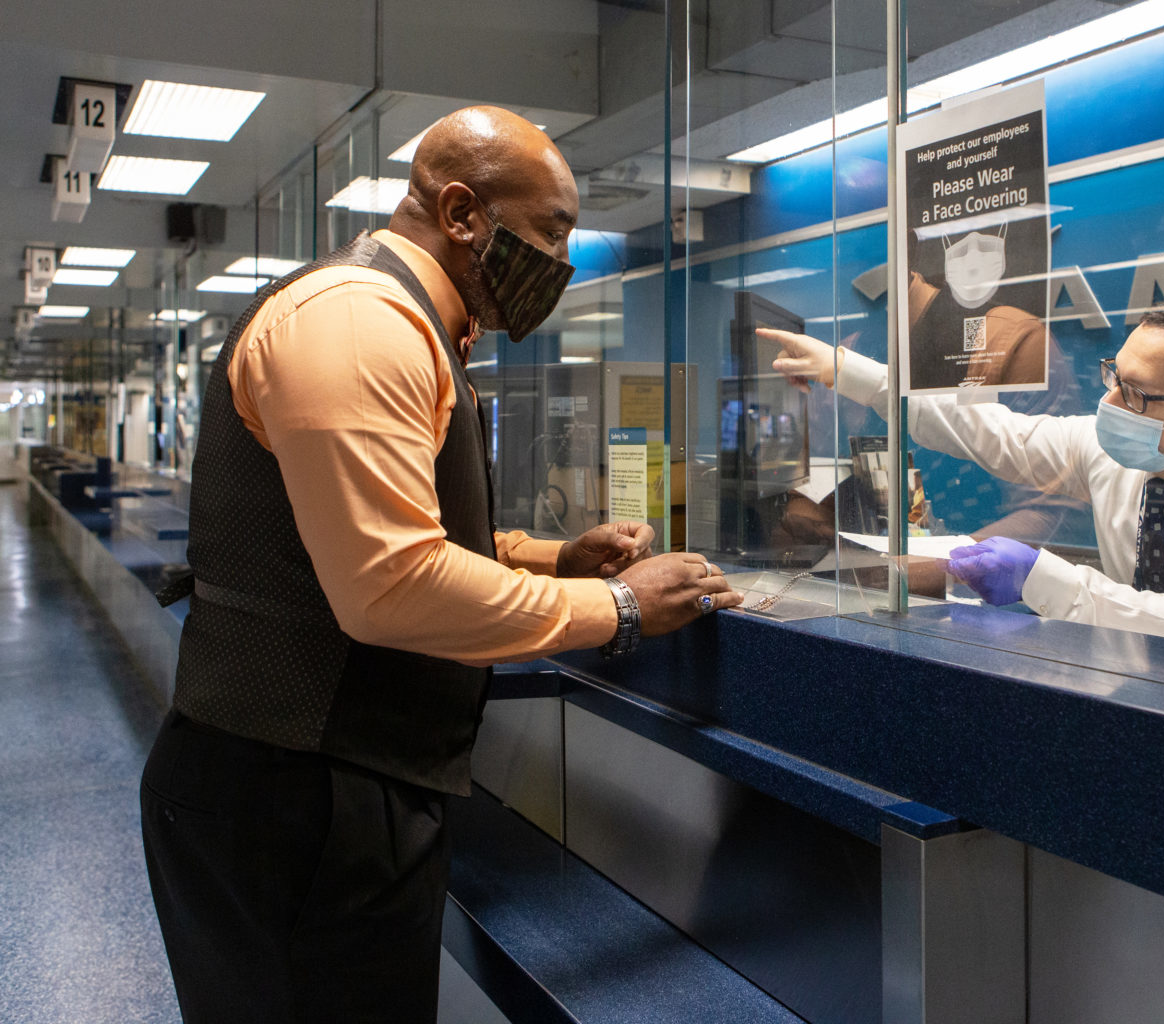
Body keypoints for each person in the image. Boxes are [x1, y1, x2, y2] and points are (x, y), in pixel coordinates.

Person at [139, 106, 741, 1024]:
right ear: (462, 212)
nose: (565, 262)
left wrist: (556, 560)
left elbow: (404, 533)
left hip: (345, 783)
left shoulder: (423, 327)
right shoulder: (358, 324)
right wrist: (615, 608)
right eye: (552, 232)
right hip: (293, 798)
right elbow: (390, 585)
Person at [762, 294, 1164, 662]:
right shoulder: (1112, 449)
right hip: (1148, 698)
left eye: (1134, 393)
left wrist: (1043, 578)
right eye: (1114, 374)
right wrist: (846, 371)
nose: (1109, 402)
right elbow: (986, 429)